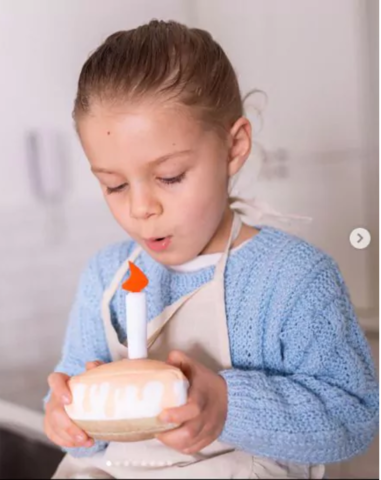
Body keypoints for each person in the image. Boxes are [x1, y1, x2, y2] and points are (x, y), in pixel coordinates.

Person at [43, 19, 378, 479]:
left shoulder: (293, 278)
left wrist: (225, 404)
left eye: (171, 177)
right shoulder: (106, 277)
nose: (141, 208)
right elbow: (70, 387)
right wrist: (68, 416)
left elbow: (354, 417)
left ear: (233, 146)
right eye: (114, 185)